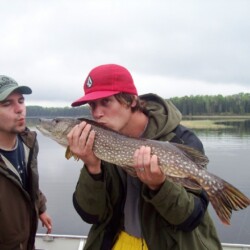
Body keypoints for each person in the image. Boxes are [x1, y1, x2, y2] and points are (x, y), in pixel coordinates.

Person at [68, 64, 222, 250]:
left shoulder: (181, 139)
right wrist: (92, 168)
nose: (96, 113)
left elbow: (190, 218)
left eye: (106, 102)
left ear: (131, 100)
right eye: (92, 105)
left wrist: (159, 186)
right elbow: (91, 215)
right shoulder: (101, 142)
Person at [0, 75, 52, 250]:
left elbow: (27, 183)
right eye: (7, 104)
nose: (19, 109)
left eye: (21, 101)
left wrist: (41, 208)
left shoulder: (28, 143)